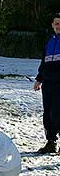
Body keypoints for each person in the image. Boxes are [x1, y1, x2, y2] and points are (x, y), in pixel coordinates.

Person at [33, 13, 60, 153]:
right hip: (48, 83)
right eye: (56, 23)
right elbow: (44, 62)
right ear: (52, 25)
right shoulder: (50, 41)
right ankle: (51, 142)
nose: (58, 26)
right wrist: (39, 79)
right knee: (48, 114)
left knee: (57, 113)